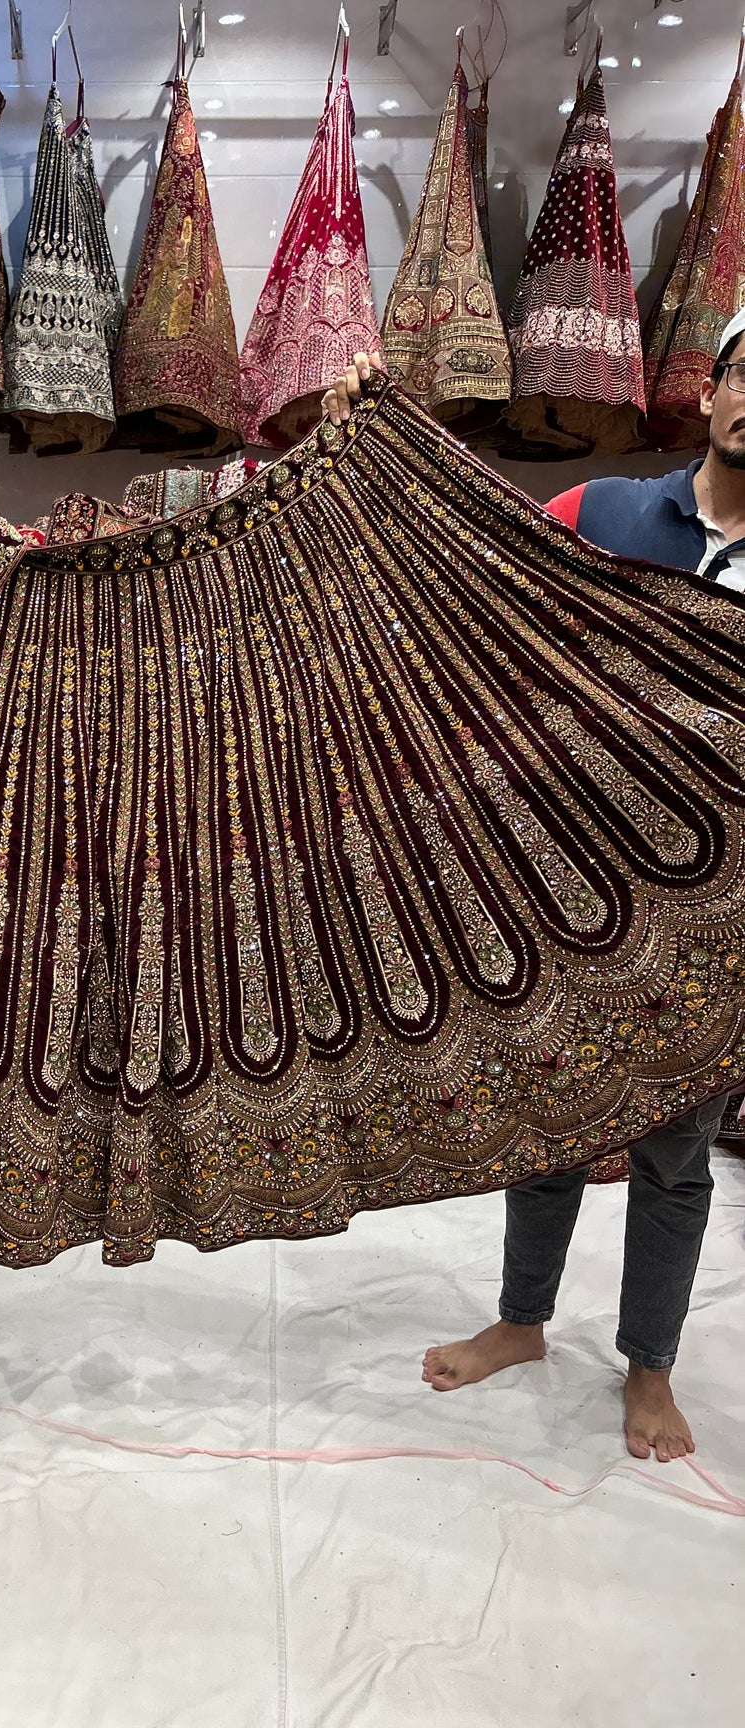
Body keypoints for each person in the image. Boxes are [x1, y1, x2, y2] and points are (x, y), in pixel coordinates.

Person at [324, 324, 745, 1464]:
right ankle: (520, 1321)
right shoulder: (602, 513)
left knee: (673, 1157)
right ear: (711, 387)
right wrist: (379, 441)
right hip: (572, 888)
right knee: (546, 1120)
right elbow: (469, 572)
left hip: (716, 928)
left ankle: (647, 1367)